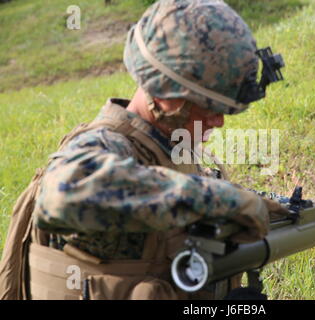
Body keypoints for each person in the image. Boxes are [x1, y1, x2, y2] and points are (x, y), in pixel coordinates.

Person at [0, 0, 290, 300]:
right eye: (211, 107)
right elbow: (64, 191)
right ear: (165, 95)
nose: (219, 121)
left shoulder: (173, 151)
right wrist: (222, 200)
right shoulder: (101, 146)